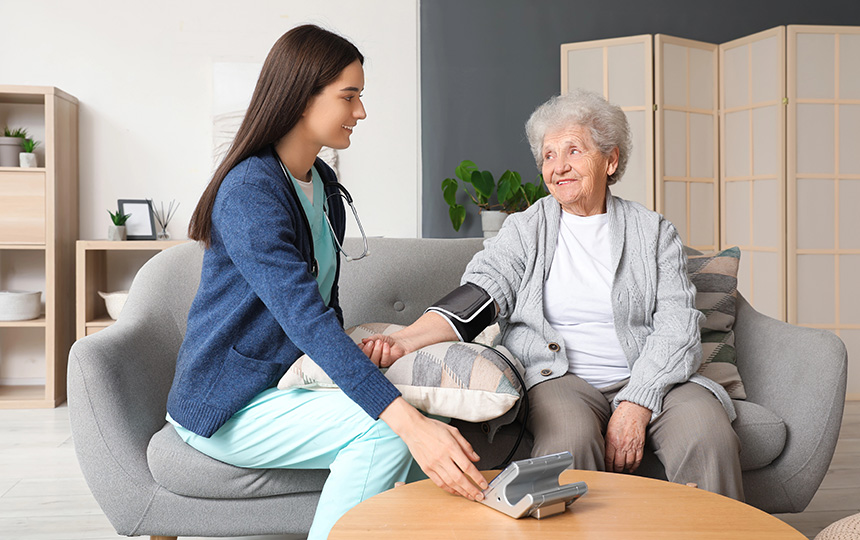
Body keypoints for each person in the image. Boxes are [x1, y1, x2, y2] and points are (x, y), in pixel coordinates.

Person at [165, 24, 487, 540]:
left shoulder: (326, 188)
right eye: (349, 96)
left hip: (288, 384)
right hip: (231, 402)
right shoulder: (250, 189)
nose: (361, 112)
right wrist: (408, 424)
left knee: (420, 420)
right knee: (390, 433)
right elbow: (305, 319)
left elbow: (325, 314)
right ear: (299, 96)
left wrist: (355, 357)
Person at [362, 88, 744, 500]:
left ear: (610, 160)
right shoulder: (527, 229)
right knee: (569, 439)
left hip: (653, 377)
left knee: (707, 434)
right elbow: (480, 293)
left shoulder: (652, 231)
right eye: (548, 155)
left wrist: (637, 399)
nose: (558, 167)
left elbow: (678, 324)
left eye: (573, 151)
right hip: (559, 377)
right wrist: (404, 340)